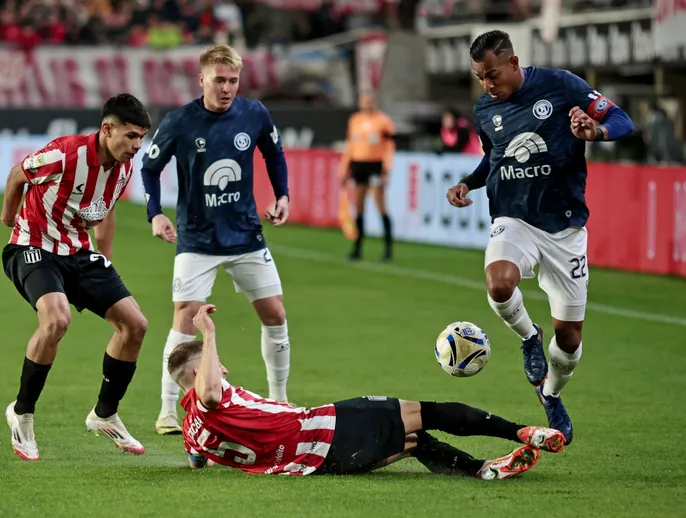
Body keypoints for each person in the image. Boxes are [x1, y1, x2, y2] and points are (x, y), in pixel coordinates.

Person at [446, 30, 634, 444]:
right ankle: (529, 337)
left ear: (513, 63)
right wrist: (468, 183)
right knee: (499, 284)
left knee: (569, 341)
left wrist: (595, 133)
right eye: (479, 77)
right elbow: (494, 155)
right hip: (513, 218)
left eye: (492, 74)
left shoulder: (562, 84)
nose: (487, 85)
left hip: (564, 229)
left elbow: (622, 119)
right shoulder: (484, 109)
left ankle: (550, 395)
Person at [169, 305, 567, 478]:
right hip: (322, 430)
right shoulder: (209, 396)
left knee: (413, 440)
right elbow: (210, 396)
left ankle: (482, 470)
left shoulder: (191, 430)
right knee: (429, 411)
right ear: (196, 371)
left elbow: (196, 458)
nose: (223, 368)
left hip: (316, 462)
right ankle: (524, 431)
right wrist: (209, 333)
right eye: (214, 363)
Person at [140, 44, 291, 435]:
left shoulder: (254, 113)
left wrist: (282, 195)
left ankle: (279, 399)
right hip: (197, 237)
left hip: (245, 235)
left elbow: (274, 154)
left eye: (233, 80)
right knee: (185, 319)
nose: (227, 88)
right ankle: (167, 411)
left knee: (275, 313)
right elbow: (150, 167)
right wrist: (155, 213)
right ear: (202, 78)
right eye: (219, 79)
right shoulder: (179, 122)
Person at [0, 93, 152, 461]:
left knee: (135, 325)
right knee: (57, 319)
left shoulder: (122, 166)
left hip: (79, 253)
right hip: (32, 246)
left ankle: (105, 415)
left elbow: (105, 211)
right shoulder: (64, 154)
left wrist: (106, 258)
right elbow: (19, 173)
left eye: (141, 138)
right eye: (130, 136)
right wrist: (9, 217)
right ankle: (21, 413)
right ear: (106, 129)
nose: (136, 146)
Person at [338, 92, 396, 262]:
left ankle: (388, 249)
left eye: (370, 100)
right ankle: (357, 248)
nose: (368, 103)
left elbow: (389, 146)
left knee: (380, 205)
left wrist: (386, 168)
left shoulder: (383, 121)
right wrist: (344, 168)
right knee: (359, 205)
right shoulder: (355, 120)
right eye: (365, 100)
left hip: (375, 165)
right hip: (358, 165)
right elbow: (350, 146)